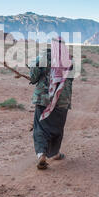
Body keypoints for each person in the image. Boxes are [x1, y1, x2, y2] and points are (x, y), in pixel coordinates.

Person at [29, 37, 74, 170]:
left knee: (41, 128)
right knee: (57, 129)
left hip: (44, 99)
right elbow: (70, 79)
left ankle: (42, 154)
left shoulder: (42, 57)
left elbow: (33, 76)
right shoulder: (69, 60)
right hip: (62, 100)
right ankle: (55, 153)